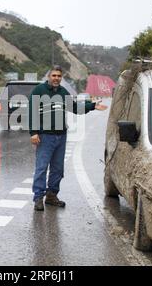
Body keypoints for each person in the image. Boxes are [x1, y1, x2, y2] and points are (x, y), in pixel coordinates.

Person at [28, 66, 108, 211]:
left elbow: (75, 108)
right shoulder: (39, 91)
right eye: (54, 75)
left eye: (59, 76)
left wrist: (93, 106)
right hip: (45, 137)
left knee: (57, 169)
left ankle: (52, 196)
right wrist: (33, 133)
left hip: (61, 136)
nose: (56, 78)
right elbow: (31, 111)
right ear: (49, 76)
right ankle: (38, 198)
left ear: (61, 77)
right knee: (41, 168)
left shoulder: (63, 93)